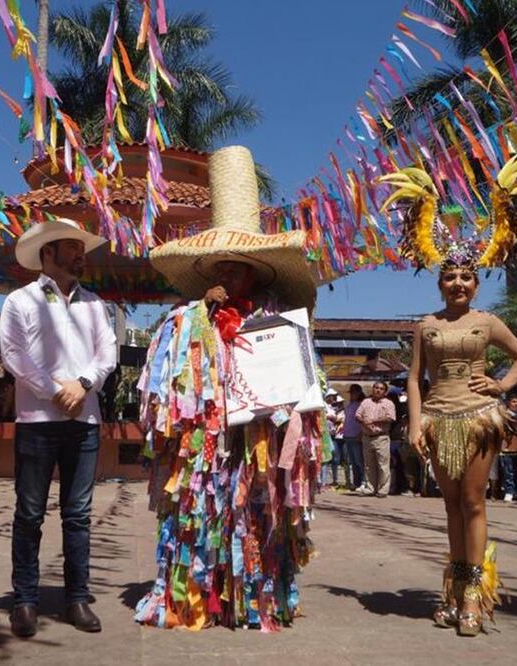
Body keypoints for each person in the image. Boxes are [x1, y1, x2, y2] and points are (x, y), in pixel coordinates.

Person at [133, 145, 325, 629]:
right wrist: (204, 314)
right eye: (217, 268)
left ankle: (255, 599)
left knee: (256, 516)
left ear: (255, 273)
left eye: (234, 267)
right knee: (202, 516)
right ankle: (198, 595)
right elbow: (167, 383)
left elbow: (305, 381)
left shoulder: (276, 322)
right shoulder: (185, 321)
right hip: (205, 446)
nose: (225, 275)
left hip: (259, 440)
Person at [1, 217, 118, 638]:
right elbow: (13, 354)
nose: (78, 254)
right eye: (70, 246)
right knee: (29, 513)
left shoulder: (94, 303)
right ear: (47, 252)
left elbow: (108, 351)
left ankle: (77, 598)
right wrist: (54, 391)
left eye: (80, 247)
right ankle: (26, 600)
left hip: (84, 420)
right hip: (37, 420)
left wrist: (83, 385)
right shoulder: (19, 301)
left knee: (79, 515)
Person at [406, 256, 517, 636]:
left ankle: (474, 594)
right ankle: (455, 589)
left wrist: (503, 385)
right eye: (449, 278)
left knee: (473, 502)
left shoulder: (487, 321)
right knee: (451, 504)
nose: (457, 283)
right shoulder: (425, 325)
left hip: (478, 418)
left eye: (466, 277)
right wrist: (415, 423)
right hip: (438, 419)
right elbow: (414, 378)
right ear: (440, 285)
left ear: (476, 285)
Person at [355, 382, 397, 497]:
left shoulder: (388, 403)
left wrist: (374, 421)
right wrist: (364, 422)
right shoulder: (365, 402)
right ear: (372, 389)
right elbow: (357, 415)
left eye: (381, 389)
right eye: (376, 388)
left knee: (382, 465)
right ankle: (370, 488)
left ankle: (383, 490)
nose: (378, 390)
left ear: (385, 392)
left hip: (381, 437)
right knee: (369, 465)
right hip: (367, 437)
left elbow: (391, 418)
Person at [343, 384, 365, 489]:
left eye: (354, 393)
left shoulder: (362, 405)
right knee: (352, 461)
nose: (352, 395)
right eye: (351, 393)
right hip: (348, 435)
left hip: (357, 436)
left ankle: (363, 482)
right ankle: (356, 482)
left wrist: (360, 433)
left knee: (359, 461)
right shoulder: (349, 406)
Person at [323, 389, 346, 487]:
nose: (337, 402)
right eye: (334, 397)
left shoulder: (339, 410)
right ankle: (328, 480)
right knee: (331, 459)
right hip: (331, 436)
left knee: (343, 459)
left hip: (340, 436)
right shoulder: (325, 406)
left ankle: (343, 480)